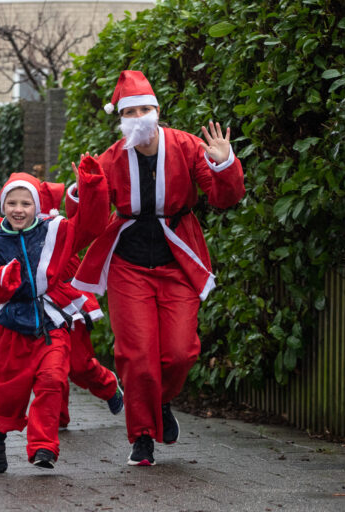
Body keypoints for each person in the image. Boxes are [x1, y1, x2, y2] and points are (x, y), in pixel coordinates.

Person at [71, 70, 245, 466]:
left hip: (177, 260)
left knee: (181, 352)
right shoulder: (110, 158)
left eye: (145, 108)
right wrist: (81, 191)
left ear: (157, 110)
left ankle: (162, 401)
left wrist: (224, 164)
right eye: (130, 111)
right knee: (136, 357)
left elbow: (225, 198)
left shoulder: (187, 146)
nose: (139, 117)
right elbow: (90, 218)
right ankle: (142, 437)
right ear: (121, 118)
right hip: (128, 265)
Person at [0, 160, 108, 473]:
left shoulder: (55, 233)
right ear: (2, 205)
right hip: (11, 331)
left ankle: (44, 447)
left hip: (50, 324)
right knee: (6, 393)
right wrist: (2, 280)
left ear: (37, 206)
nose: (18, 209)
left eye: (26, 203)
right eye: (12, 203)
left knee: (52, 380)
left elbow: (90, 224)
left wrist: (92, 185)